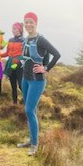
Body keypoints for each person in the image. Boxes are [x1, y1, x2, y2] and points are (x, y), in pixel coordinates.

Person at [16, 12, 61, 156]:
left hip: (37, 81)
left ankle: (35, 145)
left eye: (31, 22)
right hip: (25, 79)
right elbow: (38, 56)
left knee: (29, 110)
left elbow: (56, 54)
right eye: (26, 22)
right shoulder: (25, 39)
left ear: (36, 23)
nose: (29, 25)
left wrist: (45, 68)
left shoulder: (41, 39)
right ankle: (32, 139)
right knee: (31, 111)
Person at [1, 22, 25, 104]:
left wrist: (18, 61)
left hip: (19, 65)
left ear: (20, 30)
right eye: (13, 29)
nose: (13, 30)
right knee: (13, 85)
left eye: (15, 29)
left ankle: (27, 102)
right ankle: (15, 103)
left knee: (21, 85)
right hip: (10, 64)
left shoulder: (24, 41)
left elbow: (25, 54)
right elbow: (7, 53)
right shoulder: (10, 40)